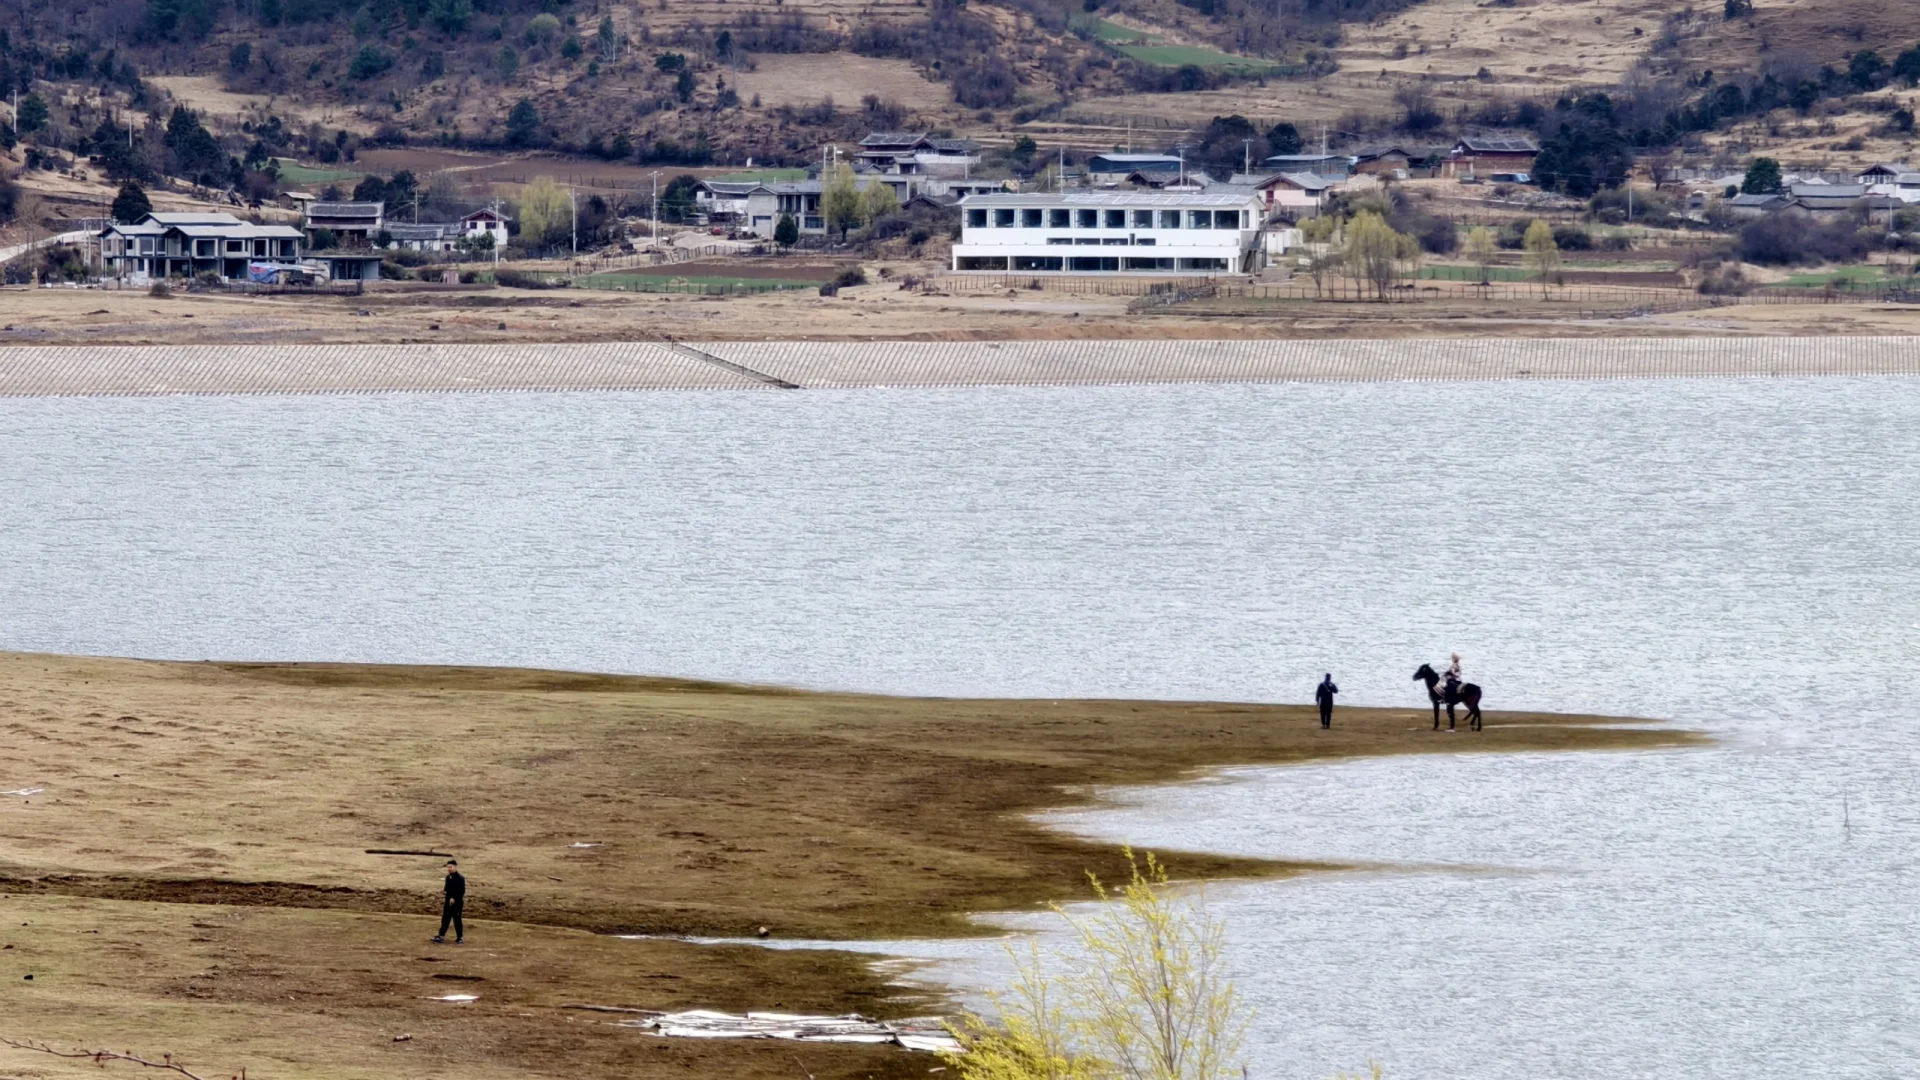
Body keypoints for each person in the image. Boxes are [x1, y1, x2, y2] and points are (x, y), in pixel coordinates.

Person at [432, 859, 465, 944]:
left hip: (457, 903)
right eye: (448, 867)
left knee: (457, 919)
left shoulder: (460, 878)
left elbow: (462, 891)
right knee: (445, 919)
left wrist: (454, 898)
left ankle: (460, 937)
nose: (449, 869)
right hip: (448, 901)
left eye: (451, 867)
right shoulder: (448, 877)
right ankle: (441, 935)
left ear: (455, 867)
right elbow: (447, 888)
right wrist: (444, 892)